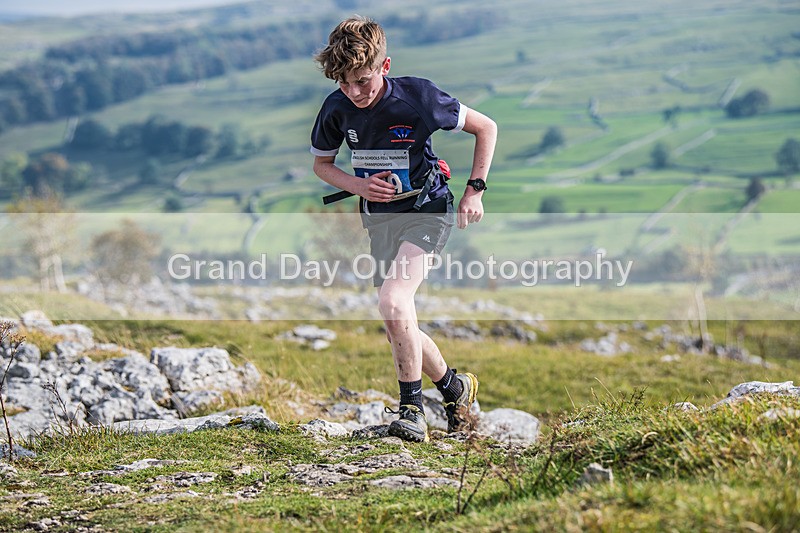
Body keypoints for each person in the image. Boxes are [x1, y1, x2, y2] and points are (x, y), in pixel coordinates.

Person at [310, 16, 497, 442]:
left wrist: (475, 191)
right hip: (380, 217)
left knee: (393, 302)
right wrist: (359, 185)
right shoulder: (336, 107)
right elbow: (322, 165)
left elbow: (486, 128)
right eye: (343, 83)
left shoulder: (418, 97)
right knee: (398, 316)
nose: (353, 93)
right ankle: (455, 387)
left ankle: (411, 411)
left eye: (362, 80)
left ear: (385, 66)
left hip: (429, 208)